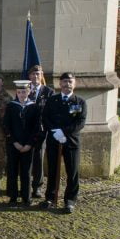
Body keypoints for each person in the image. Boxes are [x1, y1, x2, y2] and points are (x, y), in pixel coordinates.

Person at [41, 72, 86, 214]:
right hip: (54, 140)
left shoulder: (80, 102)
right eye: (65, 81)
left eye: (70, 82)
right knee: (53, 170)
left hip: (71, 142)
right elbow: (45, 117)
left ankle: (70, 200)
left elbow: (80, 122)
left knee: (72, 172)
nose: (67, 84)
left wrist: (64, 133)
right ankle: (50, 198)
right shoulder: (52, 100)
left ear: (75, 84)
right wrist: (55, 131)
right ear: (60, 84)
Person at [3, 80, 41, 206]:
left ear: (29, 92)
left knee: (26, 171)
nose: (21, 94)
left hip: (28, 146)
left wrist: (29, 144)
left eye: (24, 91)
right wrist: (14, 142)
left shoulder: (34, 107)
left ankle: (26, 196)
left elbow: (36, 128)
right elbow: (6, 126)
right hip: (14, 145)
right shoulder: (11, 106)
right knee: (12, 171)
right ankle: (13, 197)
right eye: (19, 92)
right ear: (16, 93)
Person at [27, 64, 54, 198]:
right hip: (25, 131)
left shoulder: (49, 92)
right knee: (26, 160)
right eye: (33, 74)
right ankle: (25, 186)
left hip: (41, 131)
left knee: (38, 159)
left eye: (38, 74)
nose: (36, 76)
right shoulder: (23, 89)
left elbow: (50, 112)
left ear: (42, 75)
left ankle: (37, 187)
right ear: (29, 76)